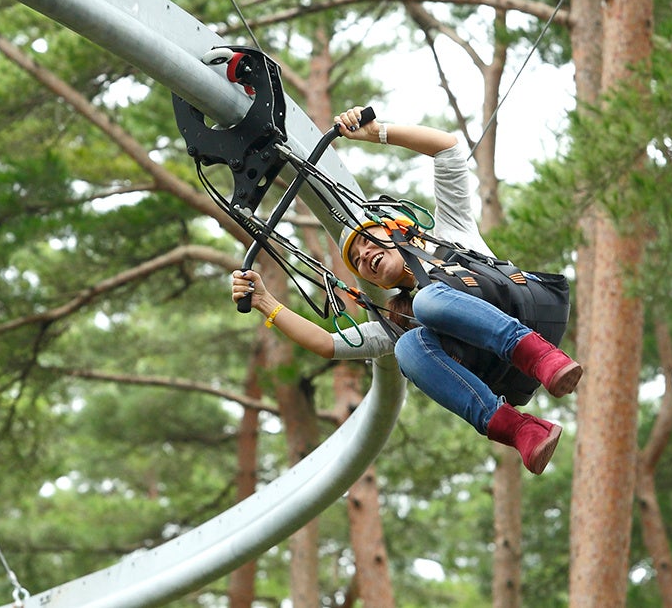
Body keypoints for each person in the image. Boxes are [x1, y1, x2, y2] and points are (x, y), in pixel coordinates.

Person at [230, 107, 582, 474]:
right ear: (376, 283)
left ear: (398, 231)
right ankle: (519, 429)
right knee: (406, 345)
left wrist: (375, 133)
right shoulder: (401, 315)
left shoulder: (450, 234)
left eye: (368, 241)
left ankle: (541, 356)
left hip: (522, 311)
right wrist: (264, 302)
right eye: (358, 261)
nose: (365, 254)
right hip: (502, 370)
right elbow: (326, 343)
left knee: (429, 299)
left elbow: (447, 149)